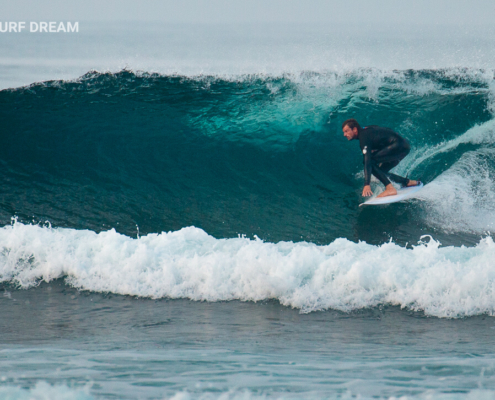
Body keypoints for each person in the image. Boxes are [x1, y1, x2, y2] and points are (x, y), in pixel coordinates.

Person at [342, 118, 420, 198]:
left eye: (346, 131)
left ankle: (390, 188)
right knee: (381, 172)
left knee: (370, 162)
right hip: (403, 145)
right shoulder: (367, 129)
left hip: (398, 146)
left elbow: (367, 161)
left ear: (354, 129)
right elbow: (383, 132)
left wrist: (367, 184)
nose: (344, 134)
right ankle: (407, 182)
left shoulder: (363, 137)